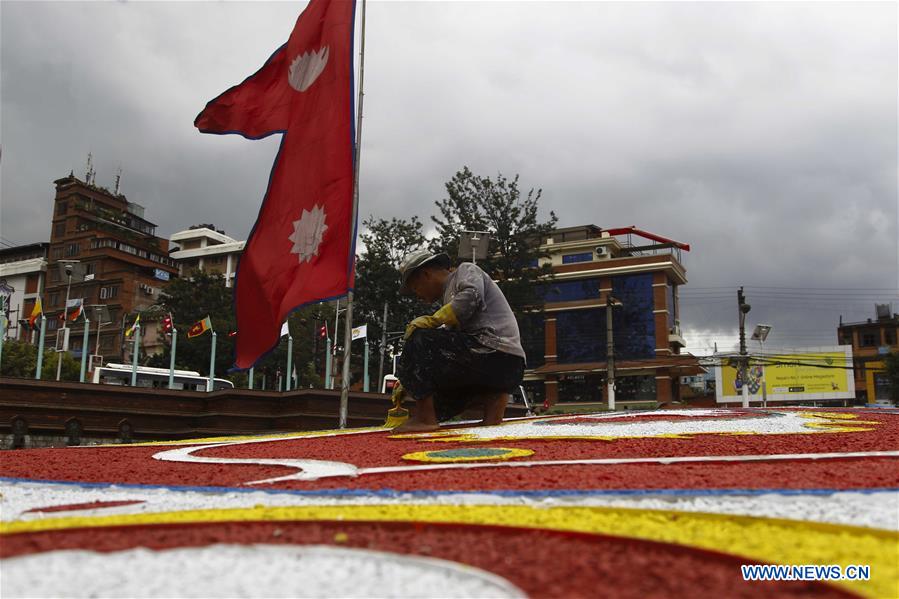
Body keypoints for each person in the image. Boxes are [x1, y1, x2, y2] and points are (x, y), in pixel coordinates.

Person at [390, 249, 526, 432]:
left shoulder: (466, 270)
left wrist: (434, 320)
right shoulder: (449, 299)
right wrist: (409, 377)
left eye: (415, 288)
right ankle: (492, 408)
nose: (418, 295)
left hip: (497, 355)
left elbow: (471, 297)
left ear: (426, 274)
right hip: (500, 366)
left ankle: (425, 420)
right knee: (438, 408)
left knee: (419, 337)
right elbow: (445, 350)